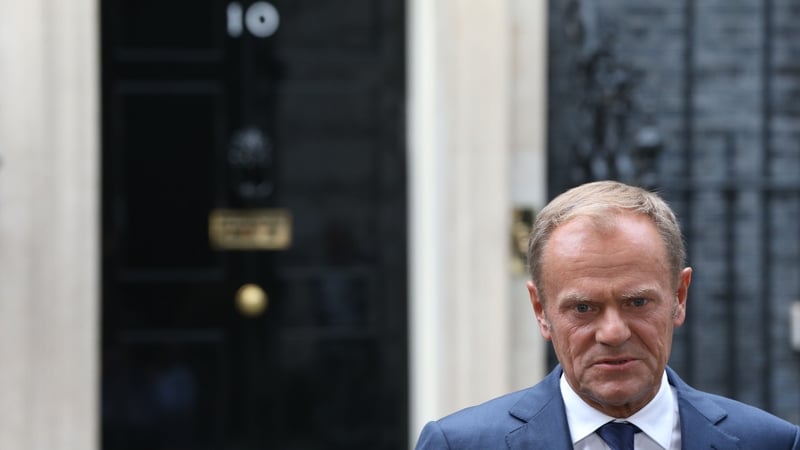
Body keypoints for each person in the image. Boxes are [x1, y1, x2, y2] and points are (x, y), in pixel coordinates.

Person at [415, 180, 800, 449]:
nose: (613, 333)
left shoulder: (771, 443)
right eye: (583, 308)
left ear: (679, 296)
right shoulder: (460, 444)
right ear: (541, 310)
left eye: (637, 303)